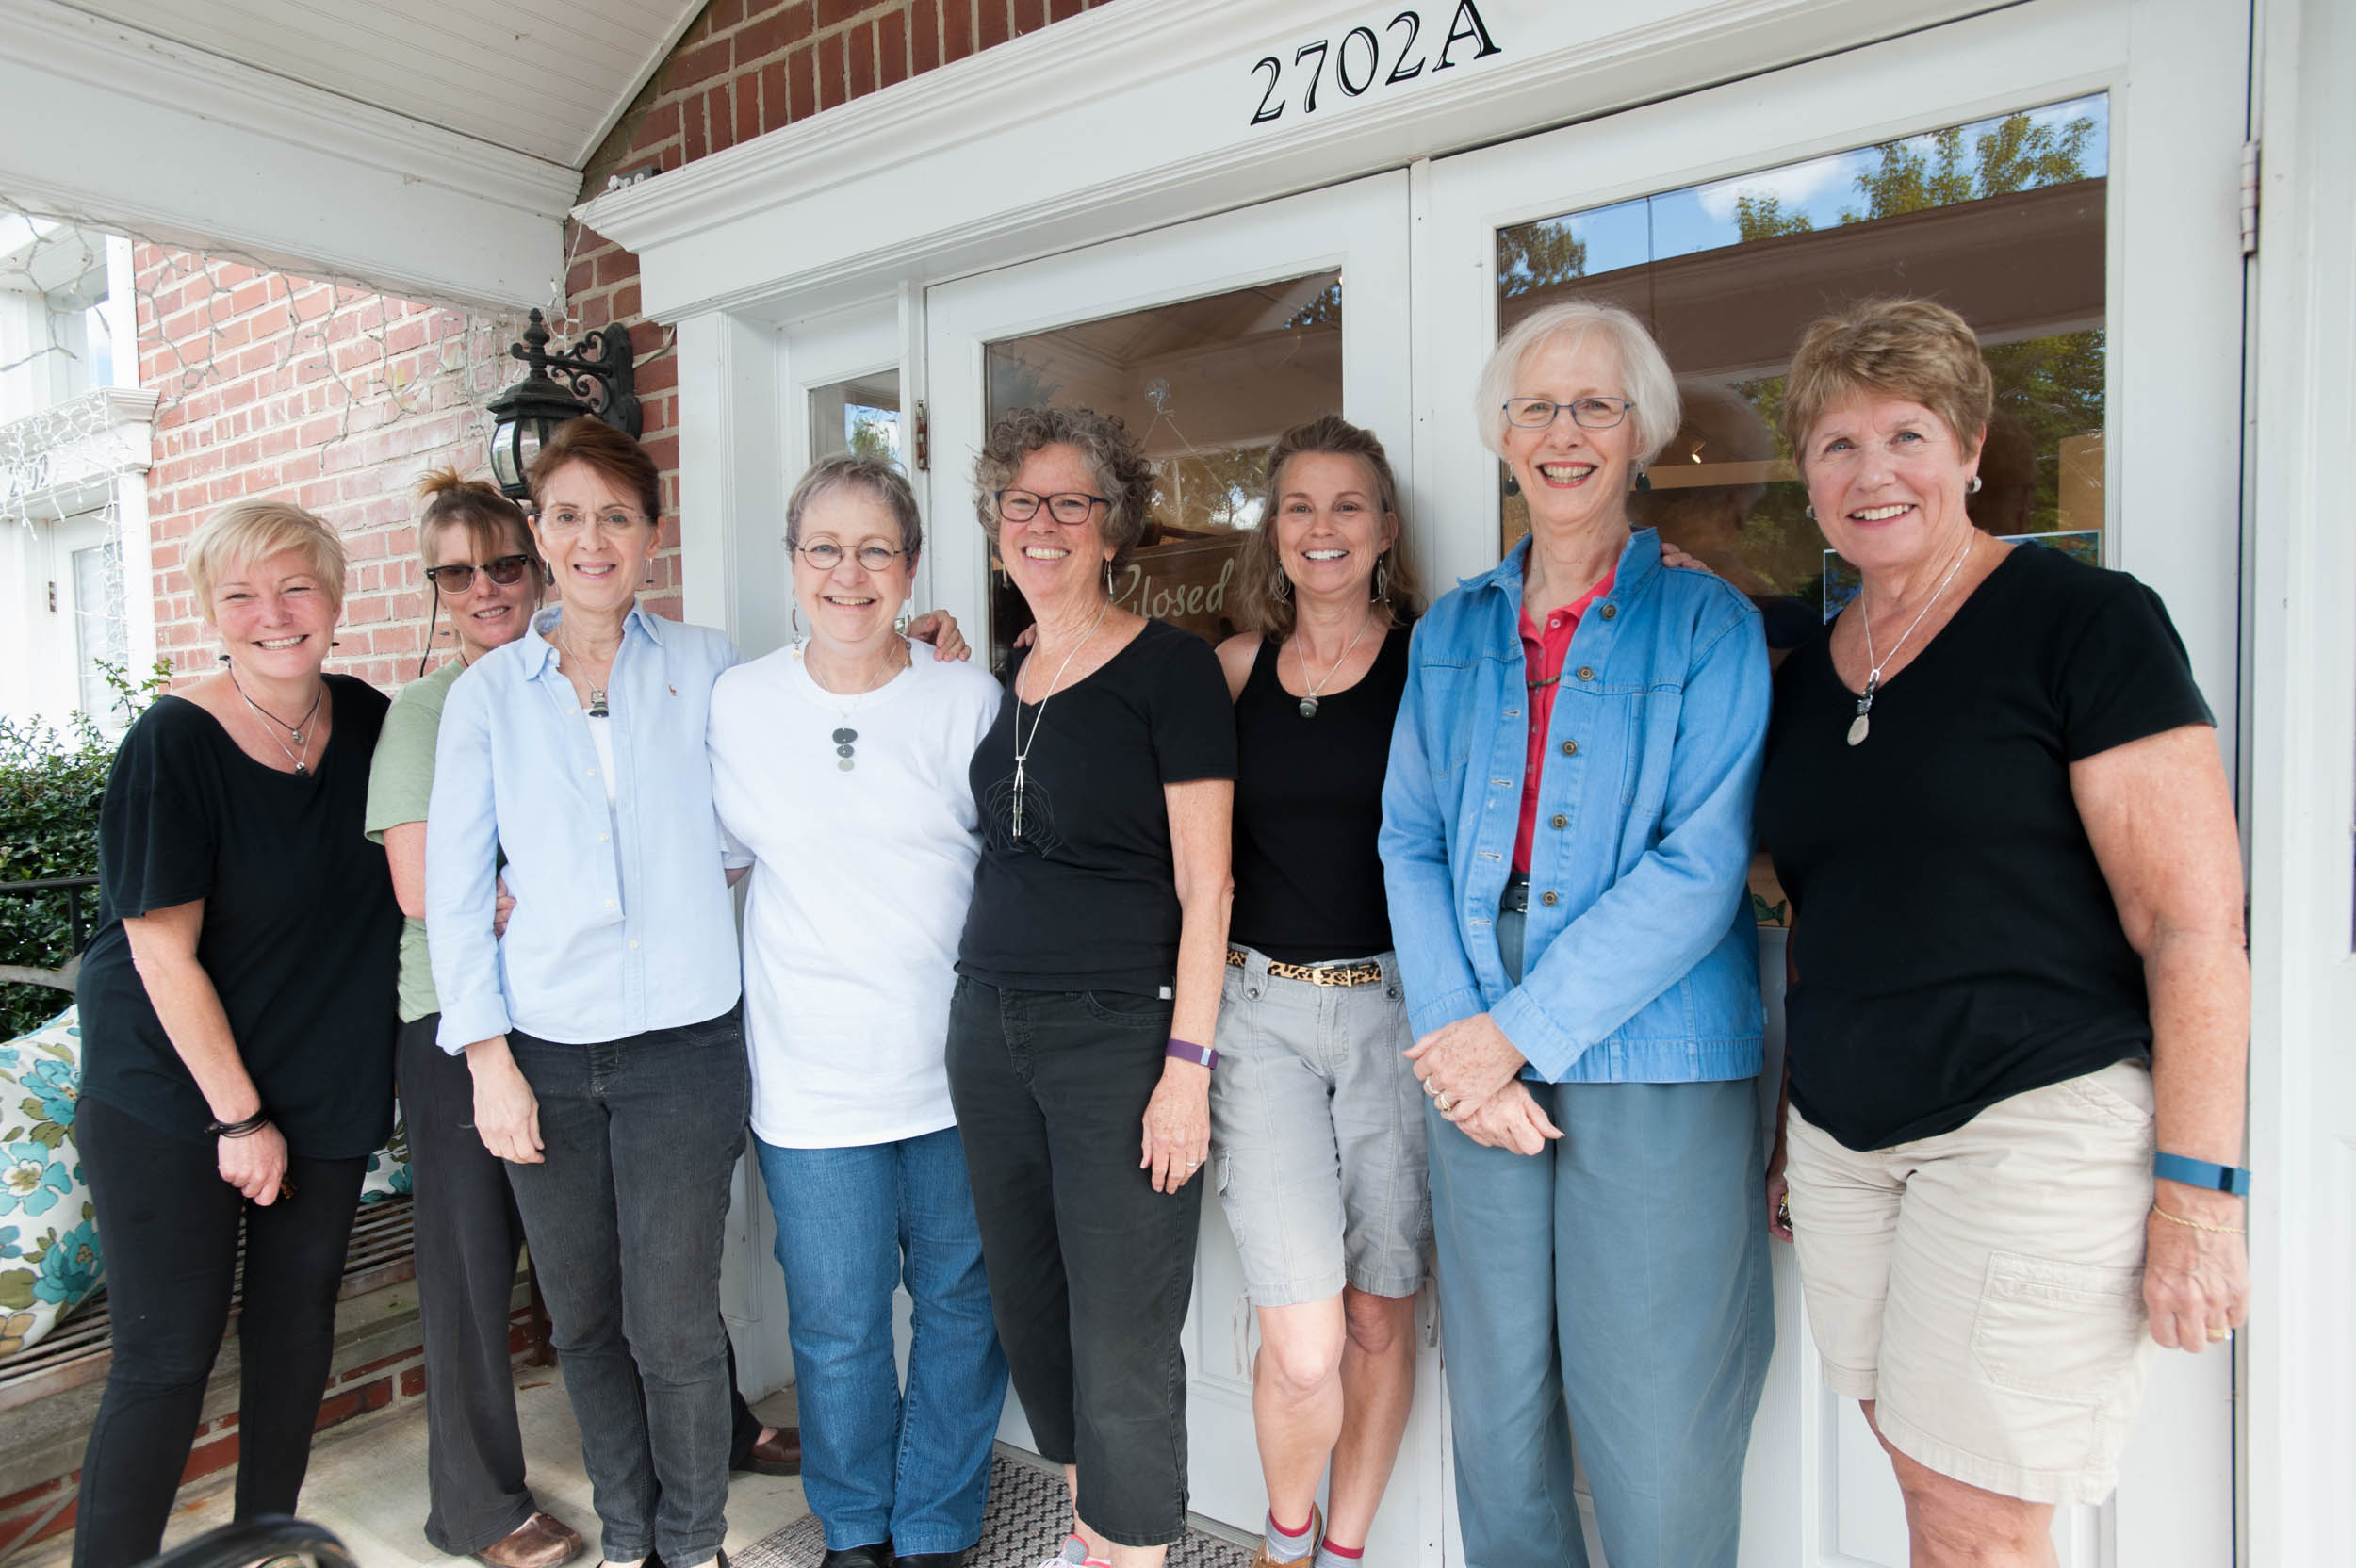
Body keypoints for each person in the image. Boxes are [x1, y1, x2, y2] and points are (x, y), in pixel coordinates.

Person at [1755, 297, 2249, 1566]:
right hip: (1848, 1141)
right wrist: (1791, 1118)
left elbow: (2191, 923)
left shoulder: (2084, 622)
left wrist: (2200, 1193)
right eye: (1836, 445)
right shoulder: (1809, 674)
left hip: (2030, 1121)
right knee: (1930, 1485)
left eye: (1907, 435)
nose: (1873, 474)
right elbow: (1821, 911)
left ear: (1972, 450)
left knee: (1979, 1525)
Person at [1380, 299, 1775, 1568]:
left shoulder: (1707, 625)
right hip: (1473, 1053)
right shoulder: (1450, 631)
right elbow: (1413, 840)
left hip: (1653, 1052)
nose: (1565, 432)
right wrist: (1458, 1032)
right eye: (1538, 407)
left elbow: (1701, 865)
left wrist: (1510, 1034)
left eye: (1595, 405)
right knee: (1496, 1421)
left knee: (1655, 1427)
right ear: (1502, 435)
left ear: (1641, 432)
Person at [366, 472, 798, 1568]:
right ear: (541, 537)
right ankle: (629, 1535)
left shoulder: (707, 664)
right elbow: (455, 894)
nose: (591, 539)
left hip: (684, 1050)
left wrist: (924, 646)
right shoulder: (488, 695)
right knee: (586, 1321)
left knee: (672, 1319)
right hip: (545, 1052)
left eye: (615, 515)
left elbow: (802, 739)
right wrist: (489, 1061)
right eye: (565, 517)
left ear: (651, 532)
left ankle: (692, 1541)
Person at [70, 500, 401, 1568]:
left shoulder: (367, 720)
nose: (273, 614)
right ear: (210, 612)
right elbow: (162, 956)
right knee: (166, 1356)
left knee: (293, 1332)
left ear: (336, 600)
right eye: (242, 594)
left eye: (296, 586)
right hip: (171, 1090)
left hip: (321, 1077)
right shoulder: (173, 742)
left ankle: (263, 1542)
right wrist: (239, 1114)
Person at [944, 406, 1235, 1568]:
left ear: (1112, 526)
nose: (1045, 523)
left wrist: (1187, 1068)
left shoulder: (1171, 670)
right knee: (1032, 1308)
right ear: (996, 523)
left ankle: (1133, 1547)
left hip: (1120, 1034)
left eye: (1072, 502)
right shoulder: (1004, 669)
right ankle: (1090, 1528)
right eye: (1023, 502)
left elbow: (1207, 888)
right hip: (987, 1024)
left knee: (1123, 1329)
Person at [707, 454, 1009, 1568]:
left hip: (953, 1074)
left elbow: (1016, 873)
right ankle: (854, 1529)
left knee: (961, 1310)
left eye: (875, 547)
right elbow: (696, 853)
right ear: (793, 567)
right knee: (834, 1329)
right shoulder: (739, 701)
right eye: (824, 548)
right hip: (809, 1077)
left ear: (911, 566)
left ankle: (931, 1526)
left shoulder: (964, 698)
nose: (849, 572)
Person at [1209, 416, 1426, 1568]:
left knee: (1378, 1312)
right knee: (1303, 1336)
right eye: (1300, 505)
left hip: (1398, 1015)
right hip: (1262, 1018)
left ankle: (1339, 1551)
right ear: (1275, 531)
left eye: (1349, 505)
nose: (1323, 527)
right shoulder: (1234, 669)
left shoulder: (1433, 660)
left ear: (1384, 528)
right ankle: (1279, 1544)